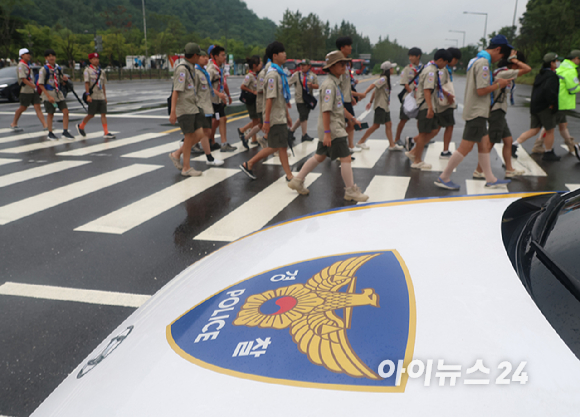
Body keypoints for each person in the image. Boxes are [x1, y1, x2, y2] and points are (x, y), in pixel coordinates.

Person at [435, 35, 514, 190]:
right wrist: (500, 84)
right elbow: (481, 90)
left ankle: (490, 178)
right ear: (498, 49)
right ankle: (444, 177)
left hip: (479, 111)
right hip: (477, 111)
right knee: (466, 147)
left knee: (484, 145)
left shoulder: (477, 60)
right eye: (502, 55)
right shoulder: (484, 64)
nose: (500, 59)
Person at [288, 51, 368, 202]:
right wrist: (327, 133)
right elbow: (326, 110)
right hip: (333, 128)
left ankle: (297, 180)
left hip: (333, 127)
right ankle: (350, 190)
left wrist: (352, 119)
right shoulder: (329, 86)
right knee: (346, 158)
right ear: (331, 67)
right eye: (341, 64)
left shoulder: (334, 84)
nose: (345, 66)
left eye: (345, 64)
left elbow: (338, 107)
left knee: (319, 156)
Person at [239, 41, 293, 181]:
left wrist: (287, 115)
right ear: (275, 55)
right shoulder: (273, 75)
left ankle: (289, 175)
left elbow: (279, 98)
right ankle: (249, 163)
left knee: (281, 146)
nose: (285, 54)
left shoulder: (278, 73)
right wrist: (267, 121)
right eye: (282, 52)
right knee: (276, 146)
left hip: (279, 115)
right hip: (275, 117)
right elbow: (269, 99)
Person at [473, 50, 531, 178]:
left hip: (499, 110)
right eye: (518, 63)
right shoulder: (505, 73)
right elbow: (527, 69)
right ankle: (479, 170)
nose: (520, 65)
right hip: (496, 111)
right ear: (513, 64)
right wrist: (515, 59)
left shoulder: (500, 71)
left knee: (508, 140)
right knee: (491, 142)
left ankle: (509, 169)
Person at [168, 43, 212, 177]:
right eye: (199, 55)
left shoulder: (191, 67)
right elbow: (176, 91)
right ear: (194, 55)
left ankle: (177, 154)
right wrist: (173, 111)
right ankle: (186, 167)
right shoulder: (182, 69)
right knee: (189, 137)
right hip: (185, 108)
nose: (201, 57)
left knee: (199, 134)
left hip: (193, 106)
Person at [406, 49, 452, 170]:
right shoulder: (431, 71)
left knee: (434, 130)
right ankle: (417, 160)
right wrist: (430, 108)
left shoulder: (432, 69)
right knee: (423, 133)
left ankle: (414, 153)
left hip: (430, 105)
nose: (445, 66)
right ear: (440, 60)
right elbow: (427, 90)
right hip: (426, 106)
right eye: (445, 63)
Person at [512, 53, 562, 161]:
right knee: (550, 130)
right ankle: (548, 153)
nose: (558, 62)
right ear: (551, 63)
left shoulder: (540, 74)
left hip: (535, 106)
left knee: (534, 130)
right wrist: (552, 104)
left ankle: (514, 145)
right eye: (556, 61)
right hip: (545, 107)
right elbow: (549, 91)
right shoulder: (552, 76)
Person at [530, 50, 580, 157]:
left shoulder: (562, 67)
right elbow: (573, 88)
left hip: (559, 99)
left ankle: (570, 144)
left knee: (562, 124)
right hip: (562, 101)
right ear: (575, 59)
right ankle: (538, 145)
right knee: (549, 126)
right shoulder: (570, 70)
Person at [355, 61, 403, 151]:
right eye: (391, 68)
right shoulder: (383, 79)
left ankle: (392, 145)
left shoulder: (386, 79)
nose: (393, 69)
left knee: (389, 124)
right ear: (388, 70)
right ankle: (360, 142)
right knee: (376, 125)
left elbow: (375, 91)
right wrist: (364, 94)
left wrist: (370, 101)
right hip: (380, 106)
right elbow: (373, 85)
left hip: (384, 106)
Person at [192, 50, 224, 166]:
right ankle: (209, 157)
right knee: (205, 132)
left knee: (207, 132)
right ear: (196, 58)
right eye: (202, 57)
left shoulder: (204, 71)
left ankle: (181, 149)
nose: (205, 59)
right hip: (201, 107)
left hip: (207, 106)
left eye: (206, 56)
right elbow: (193, 91)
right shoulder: (196, 73)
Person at [336, 36, 366, 154]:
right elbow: (339, 86)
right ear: (342, 48)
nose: (351, 48)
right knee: (348, 123)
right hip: (341, 100)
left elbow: (346, 85)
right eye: (348, 46)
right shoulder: (339, 63)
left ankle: (349, 145)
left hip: (346, 98)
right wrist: (358, 94)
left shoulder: (345, 63)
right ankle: (342, 146)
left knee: (349, 123)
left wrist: (352, 96)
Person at [37, 49, 74, 140]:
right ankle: (50, 132)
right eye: (49, 56)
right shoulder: (44, 69)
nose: (51, 58)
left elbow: (61, 81)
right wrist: (48, 96)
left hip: (58, 93)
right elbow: (40, 84)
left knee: (65, 111)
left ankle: (65, 131)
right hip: (48, 93)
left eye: (53, 56)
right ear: (46, 58)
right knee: (50, 113)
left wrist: (64, 80)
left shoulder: (58, 68)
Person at [77, 53, 115, 139]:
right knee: (91, 114)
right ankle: (81, 126)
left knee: (103, 114)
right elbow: (86, 83)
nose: (96, 60)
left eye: (97, 58)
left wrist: (105, 97)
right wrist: (88, 95)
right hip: (93, 95)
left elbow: (103, 85)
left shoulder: (101, 71)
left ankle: (106, 132)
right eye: (94, 59)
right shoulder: (87, 70)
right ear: (90, 60)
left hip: (100, 95)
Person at [10, 48, 47, 132]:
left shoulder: (27, 65)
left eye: (29, 54)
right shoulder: (21, 65)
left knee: (38, 107)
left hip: (33, 90)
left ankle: (45, 125)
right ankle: (14, 123)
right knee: (23, 107)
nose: (29, 55)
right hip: (25, 90)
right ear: (22, 55)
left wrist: (34, 87)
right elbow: (23, 79)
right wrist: (33, 86)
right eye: (27, 54)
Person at [207, 45, 236, 152]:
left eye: (225, 55)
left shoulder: (220, 68)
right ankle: (208, 141)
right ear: (215, 56)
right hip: (211, 100)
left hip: (218, 100)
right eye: (222, 55)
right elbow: (206, 86)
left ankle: (220, 142)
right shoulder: (211, 69)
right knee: (218, 120)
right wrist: (219, 94)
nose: (225, 57)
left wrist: (227, 95)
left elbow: (223, 83)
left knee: (221, 119)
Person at [395, 47, 423, 147]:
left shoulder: (423, 68)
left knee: (421, 119)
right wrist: (412, 94)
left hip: (420, 98)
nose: (410, 58)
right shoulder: (407, 69)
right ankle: (397, 139)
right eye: (409, 56)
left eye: (412, 56)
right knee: (403, 119)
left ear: (418, 56)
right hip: (409, 98)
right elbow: (405, 83)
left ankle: (422, 138)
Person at [288, 59, 319, 142]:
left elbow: (317, 86)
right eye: (301, 65)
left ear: (309, 66)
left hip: (308, 99)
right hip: (300, 99)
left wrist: (312, 85)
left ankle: (291, 131)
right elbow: (288, 84)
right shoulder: (296, 75)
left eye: (304, 65)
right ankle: (304, 135)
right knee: (303, 116)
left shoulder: (313, 75)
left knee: (303, 117)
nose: (302, 66)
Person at [439, 47, 462, 158]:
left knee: (439, 127)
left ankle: (445, 150)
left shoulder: (446, 70)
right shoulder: (443, 70)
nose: (456, 62)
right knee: (446, 126)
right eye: (455, 60)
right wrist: (448, 95)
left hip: (445, 102)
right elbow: (437, 84)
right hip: (444, 103)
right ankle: (445, 151)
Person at [237, 55, 262, 150]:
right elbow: (242, 86)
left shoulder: (256, 75)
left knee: (256, 120)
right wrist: (253, 92)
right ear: (255, 65)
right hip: (251, 100)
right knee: (257, 120)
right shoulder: (249, 76)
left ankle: (253, 139)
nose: (261, 65)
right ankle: (243, 130)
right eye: (259, 63)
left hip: (256, 100)